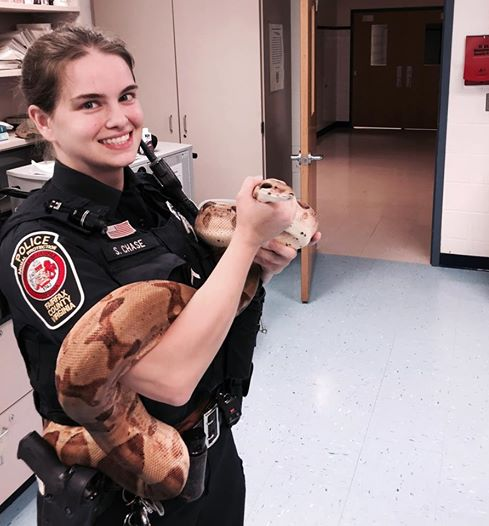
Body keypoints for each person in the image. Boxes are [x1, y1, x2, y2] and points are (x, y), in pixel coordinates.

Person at [0, 25, 320, 525]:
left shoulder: (153, 196)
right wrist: (245, 242)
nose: (119, 118)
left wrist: (260, 265)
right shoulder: (41, 245)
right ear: (43, 121)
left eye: (126, 96)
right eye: (89, 104)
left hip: (213, 457)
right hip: (123, 495)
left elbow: (210, 301)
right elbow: (169, 379)